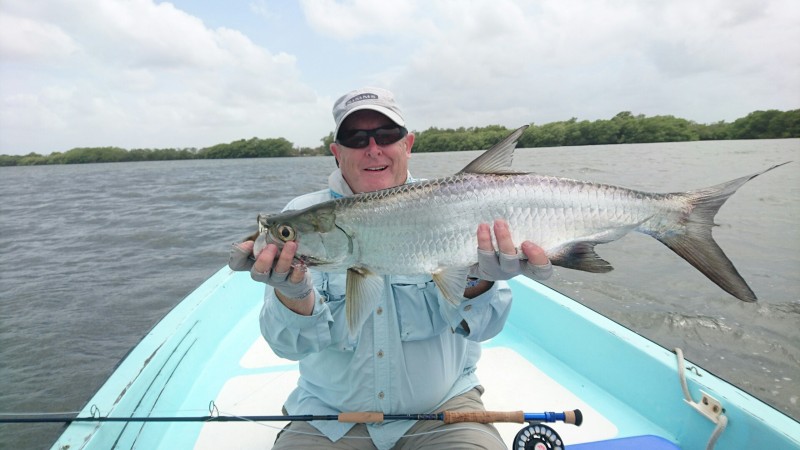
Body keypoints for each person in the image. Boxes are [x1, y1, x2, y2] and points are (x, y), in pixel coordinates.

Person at [229, 87, 552, 450]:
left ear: (408, 143)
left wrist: (478, 279)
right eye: (355, 138)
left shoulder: (460, 202)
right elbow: (286, 346)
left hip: (446, 412)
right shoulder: (303, 215)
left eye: (386, 135)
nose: (373, 148)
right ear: (337, 153)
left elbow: (486, 327)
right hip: (329, 418)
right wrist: (292, 293)